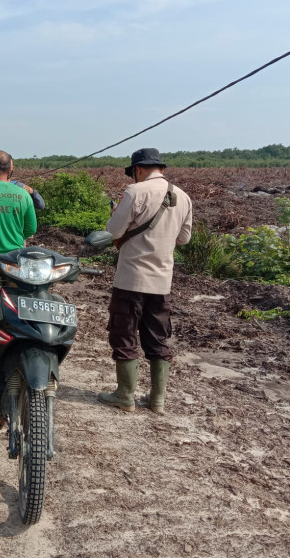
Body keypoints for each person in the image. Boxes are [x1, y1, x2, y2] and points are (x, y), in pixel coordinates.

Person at [97, 148, 192, 415]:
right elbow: (184, 238)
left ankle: (125, 396)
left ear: (138, 169)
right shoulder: (182, 196)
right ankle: (157, 401)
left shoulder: (134, 192)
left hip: (131, 278)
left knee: (124, 335)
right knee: (158, 338)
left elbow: (113, 231)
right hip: (162, 281)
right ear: (159, 167)